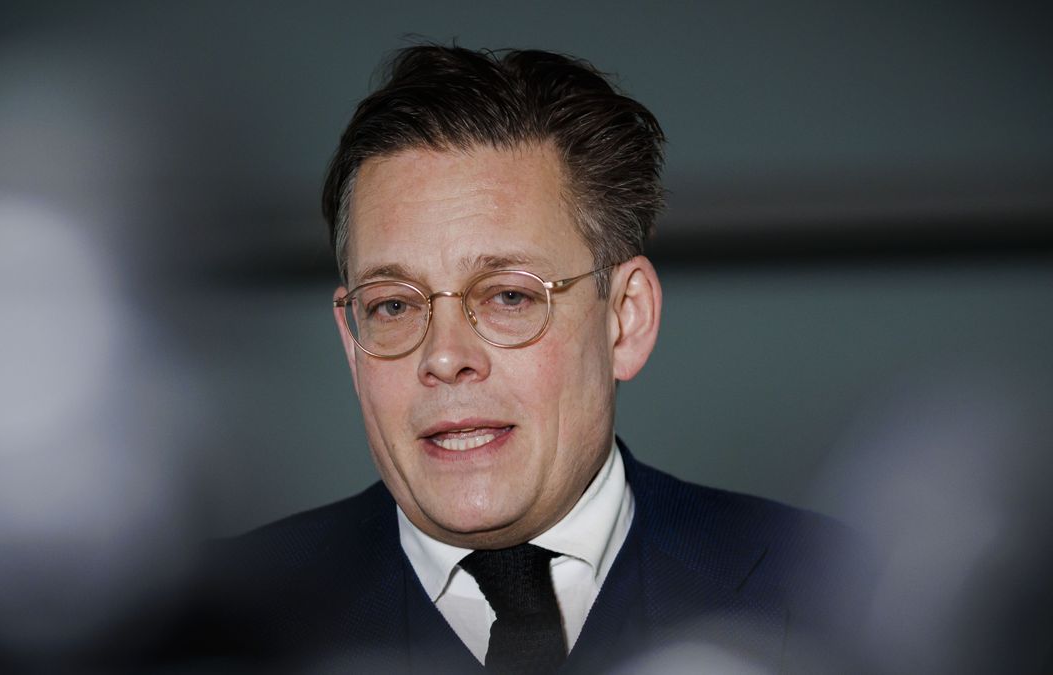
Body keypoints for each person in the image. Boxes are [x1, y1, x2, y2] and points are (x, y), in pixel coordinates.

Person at [185, 45, 871, 674]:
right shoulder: (213, 632)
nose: (446, 357)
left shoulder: (835, 595)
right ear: (351, 339)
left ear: (625, 318)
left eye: (509, 296)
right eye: (393, 305)